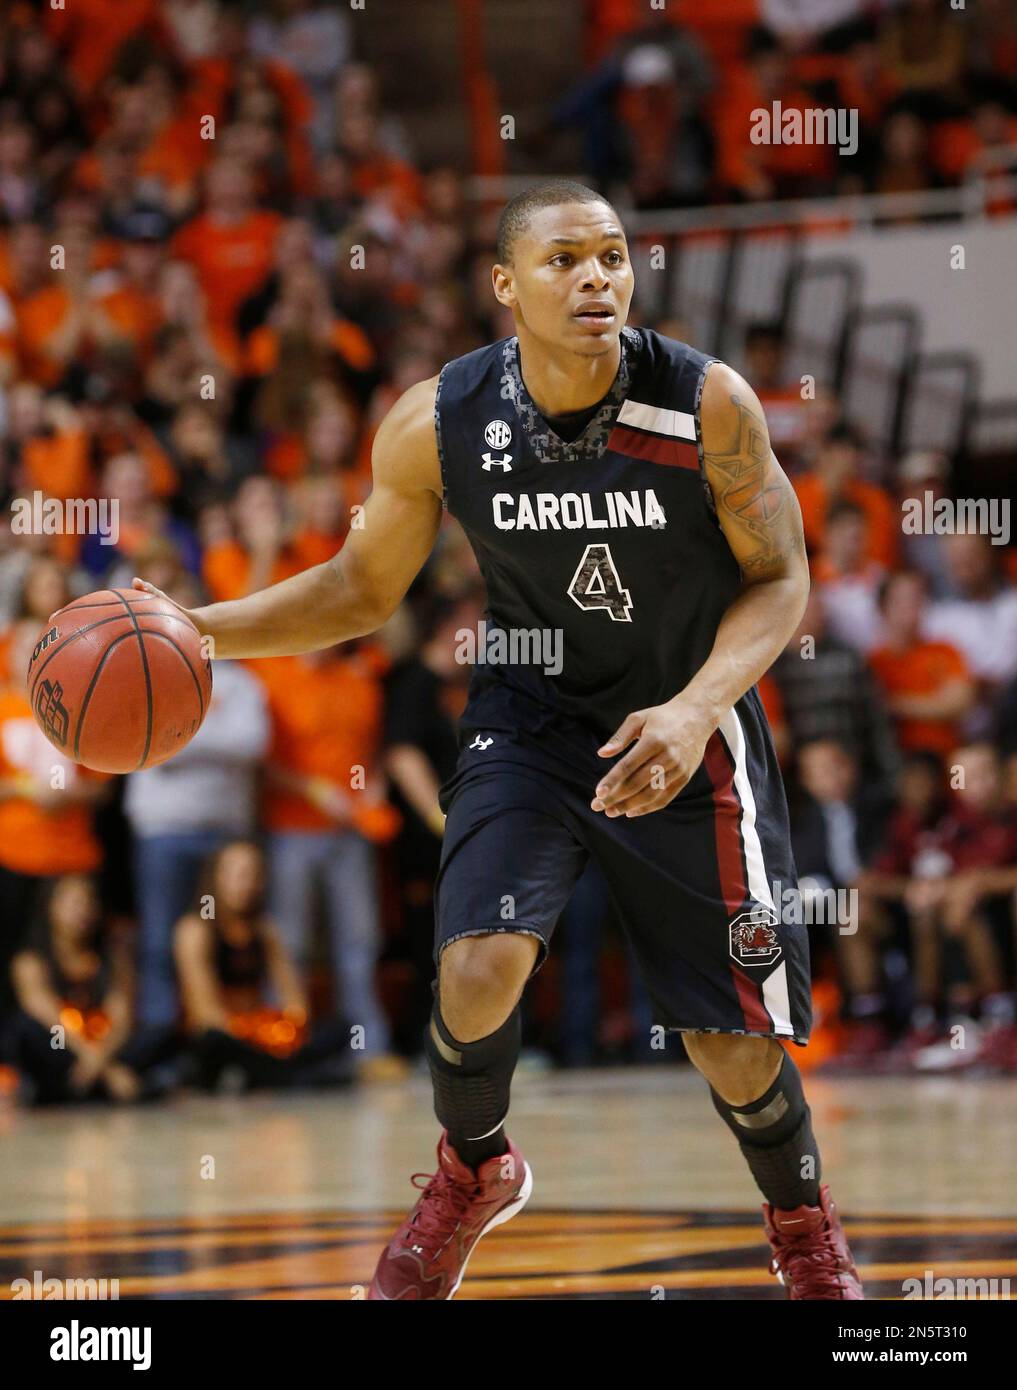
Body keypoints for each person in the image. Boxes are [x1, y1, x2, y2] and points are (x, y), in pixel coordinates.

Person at [136, 180, 863, 1300]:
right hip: (530, 717)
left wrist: (695, 706)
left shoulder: (708, 404)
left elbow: (781, 579)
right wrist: (200, 628)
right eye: (566, 259)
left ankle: (805, 1231)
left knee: (732, 1046)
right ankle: (474, 1170)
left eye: (613, 257)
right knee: (475, 971)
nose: (596, 280)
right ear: (505, 286)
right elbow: (359, 588)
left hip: (684, 720)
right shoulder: (437, 421)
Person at [174, 840, 352, 1092]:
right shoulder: (195, 929)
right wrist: (250, 1036)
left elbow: (295, 1000)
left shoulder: (264, 929)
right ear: (216, 878)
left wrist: (282, 1032)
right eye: (238, 874)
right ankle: (285, 1074)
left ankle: (272, 1072)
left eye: (254, 875)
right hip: (221, 1038)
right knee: (213, 1042)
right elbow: (206, 1013)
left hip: (259, 1034)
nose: (246, 883)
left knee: (341, 1029)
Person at [8, 875, 175, 1104]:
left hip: (106, 1045)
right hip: (64, 1047)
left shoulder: (112, 957)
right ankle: (95, 1086)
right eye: (73, 902)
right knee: (26, 1031)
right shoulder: (31, 960)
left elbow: (122, 1018)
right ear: (50, 907)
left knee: (159, 1032)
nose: (82, 910)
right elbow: (48, 1019)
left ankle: (84, 1087)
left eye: (88, 902)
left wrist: (99, 1059)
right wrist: (106, 1069)